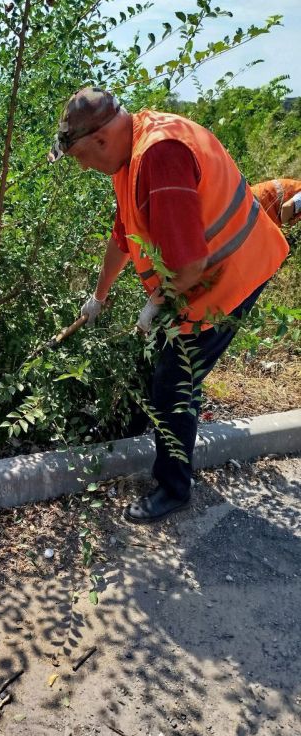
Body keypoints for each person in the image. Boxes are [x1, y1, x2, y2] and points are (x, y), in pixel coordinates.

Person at [48, 87, 289, 524]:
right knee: (162, 362)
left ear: (101, 140)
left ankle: (174, 488)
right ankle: (137, 431)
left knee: (175, 382)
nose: (83, 167)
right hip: (202, 276)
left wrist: (156, 304)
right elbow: (124, 236)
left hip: (232, 276)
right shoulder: (130, 156)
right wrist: (98, 297)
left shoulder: (160, 156)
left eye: (81, 157)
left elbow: (191, 265)